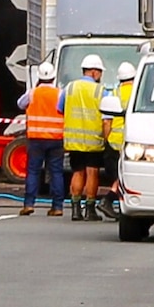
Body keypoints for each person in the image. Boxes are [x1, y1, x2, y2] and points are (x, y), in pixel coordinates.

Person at [57, 53, 109, 222]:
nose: (100, 76)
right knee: (92, 173)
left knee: (77, 172)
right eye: (100, 72)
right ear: (94, 72)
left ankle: (75, 210)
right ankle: (90, 210)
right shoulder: (101, 91)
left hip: (74, 140)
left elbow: (60, 108)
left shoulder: (69, 88)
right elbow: (107, 115)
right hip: (93, 140)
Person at [16, 61, 65, 217]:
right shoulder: (60, 93)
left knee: (33, 172)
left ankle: (29, 204)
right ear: (53, 77)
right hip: (56, 138)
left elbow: (20, 104)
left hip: (36, 139)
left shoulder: (32, 93)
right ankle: (57, 206)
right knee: (56, 172)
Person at [99, 61, 135, 220]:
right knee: (126, 176)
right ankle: (109, 200)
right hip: (132, 142)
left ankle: (112, 202)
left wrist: (106, 140)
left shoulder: (113, 93)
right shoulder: (139, 91)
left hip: (114, 142)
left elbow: (106, 121)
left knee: (120, 175)